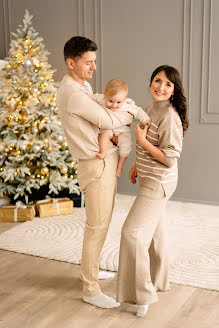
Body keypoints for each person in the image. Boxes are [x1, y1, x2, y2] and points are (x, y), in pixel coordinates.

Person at [57, 36, 133, 309]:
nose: (94, 68)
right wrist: (131, 110)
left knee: (102, 222)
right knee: (97, 225)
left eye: (94, 62)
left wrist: (119, 108)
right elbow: (107, 119)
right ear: (71, 63)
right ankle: (90, 288)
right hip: (95, 163)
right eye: (88, 63)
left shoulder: (83, 86)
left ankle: (89, 271)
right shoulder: (73, 93)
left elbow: (105, 111)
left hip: (103, 161)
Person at [117, 65, 189, 317]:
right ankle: (159, 281)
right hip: (151, 176)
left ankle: (142, 293)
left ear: (174, 90)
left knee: (132, 234)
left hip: (159, 181)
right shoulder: (149, 108)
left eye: (168, 84)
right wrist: (138, 163)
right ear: (150, 83)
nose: (161, 87)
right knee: (156, 232)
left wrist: (142, 142)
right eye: (157, 81)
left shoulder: (169, 116)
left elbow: (169, 158)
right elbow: (151, 144)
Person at [93, 78, 151, 176]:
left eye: (118, 102)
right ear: (105, 95)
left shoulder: (127, 105)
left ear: (124, 99)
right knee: (104, 135)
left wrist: (146, 119)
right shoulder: (101, 98)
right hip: (108, 128)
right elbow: (89, 98)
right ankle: (103, 152)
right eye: (110, 101)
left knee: (126, 146)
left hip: (122, 130)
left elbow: (138, 111)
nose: (114, 105)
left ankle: (119, 167)